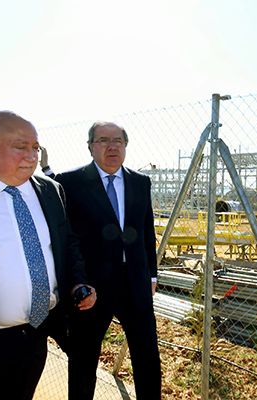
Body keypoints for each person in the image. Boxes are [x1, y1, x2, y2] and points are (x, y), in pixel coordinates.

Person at [0, 111, 96, 400]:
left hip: (34, 337)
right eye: (21, 147)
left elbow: (66, 244)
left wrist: (77, 282)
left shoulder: (50, 190)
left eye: (35, 147)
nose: (32, 156)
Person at [56, 121, 161, 400]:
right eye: (103, 140)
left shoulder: (140, 182)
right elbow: (68, 238)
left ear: (125, 146)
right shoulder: (70, 183)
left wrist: (152, 275)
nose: (112, 146)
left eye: (118, 141)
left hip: (135, 284)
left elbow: (146, 231)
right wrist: (77, 281)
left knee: (148, 356)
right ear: (90, 146)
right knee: (84, 358)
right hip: (92, 288)